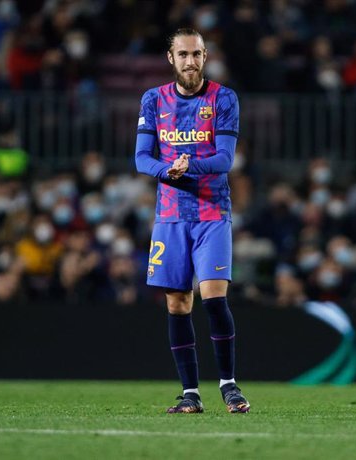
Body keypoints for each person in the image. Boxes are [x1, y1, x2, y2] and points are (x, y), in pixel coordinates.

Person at [134, 28, 250, 414]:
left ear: (205, 56)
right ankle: (190, 394)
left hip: (212, 213)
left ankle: (230, 387)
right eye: (182, 54)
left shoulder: (223, 98)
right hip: (170, 215)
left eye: (196, 54)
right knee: (178, 304)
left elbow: (224, 159)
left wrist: (189, 165)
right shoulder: (153, 100)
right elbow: (141, 158)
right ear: (170, 58)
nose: (190, 61)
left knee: (214, 298)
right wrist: (169, 171)